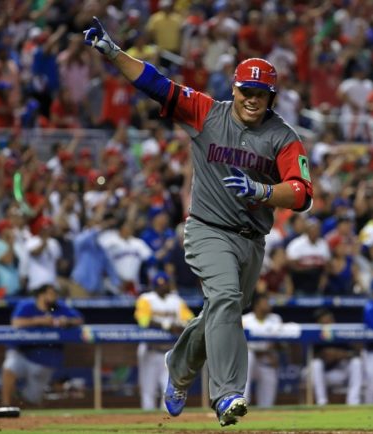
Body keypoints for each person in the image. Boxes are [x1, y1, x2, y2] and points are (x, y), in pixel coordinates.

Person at [84, 17, 313, 426]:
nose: (253, 99)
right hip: (207, 229)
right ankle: (227, 396)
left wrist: (263, 192)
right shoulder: (209, 113)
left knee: (218, 314)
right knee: (225, 301)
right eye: (247, 90)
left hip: (251, 241)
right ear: (234, 88)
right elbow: (157, 84)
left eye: (262, 93)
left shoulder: (283, 136)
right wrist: (114, 54)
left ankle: (179, 365)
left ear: (271, 97)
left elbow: (302, 192)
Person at [1, 284, 83, 407]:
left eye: (55, 294)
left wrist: (66, 321)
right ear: (41, 295)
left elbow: (79, 319)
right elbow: (16, 322)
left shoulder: (58, 308)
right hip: (22, 353)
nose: (54, 297)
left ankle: (22, 413)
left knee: (31, 401)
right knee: (10, 367)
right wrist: (40, 320)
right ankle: (5, 405)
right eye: (51, 294)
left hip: (44, 360)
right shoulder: (27, 305)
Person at [134, 272, 194, 410]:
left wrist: (180, 325)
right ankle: (147, 428)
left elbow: (191, 319)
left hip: (171, 353)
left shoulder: (176, 300)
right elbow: (143, 321)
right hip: (151, 350)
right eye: (159, 285)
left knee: (169, 394)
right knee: (148, 392)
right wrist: (167, 326)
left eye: (164, 284)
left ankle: (167, 426)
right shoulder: (146, 299)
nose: (162, 287)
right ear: (154, 286)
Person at [308, 308, 363, 406]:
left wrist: (341, 354)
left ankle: (353, 402)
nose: (329, 324)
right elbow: (310, 358)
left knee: (356, 362)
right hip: (321, 375)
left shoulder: (340, 333)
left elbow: (355, 353)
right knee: (316, 364)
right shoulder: (314, 335)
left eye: (330, 321)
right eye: (325, 322)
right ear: (319, 323)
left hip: (339, 372)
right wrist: (324, 355)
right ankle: (322, 402)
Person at [241, 292, 283, 408]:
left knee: (267, 404)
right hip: (249, 363)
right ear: (256, 305)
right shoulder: (245, 319)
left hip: (266, 361)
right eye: (265, 302)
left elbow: (279, 343)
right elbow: (239, 344)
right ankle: (243, 401)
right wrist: (259, 350)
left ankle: (265, 415)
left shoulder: (275, 319)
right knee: (249, 355)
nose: (268, 305)